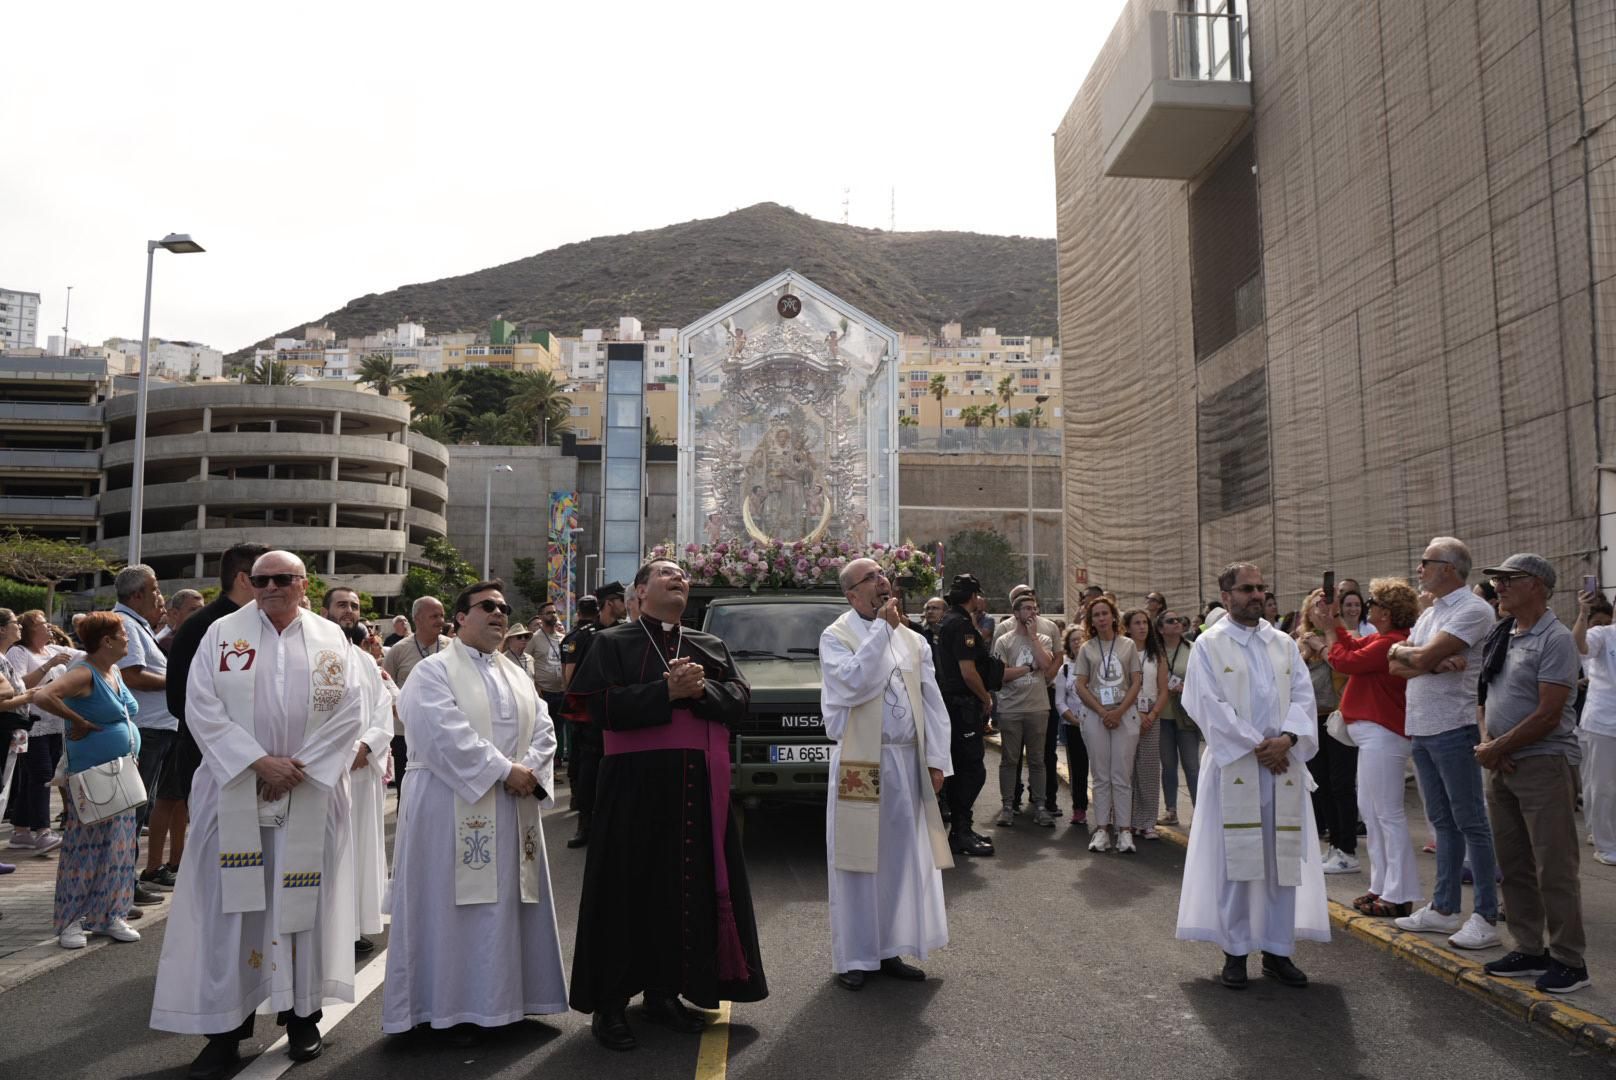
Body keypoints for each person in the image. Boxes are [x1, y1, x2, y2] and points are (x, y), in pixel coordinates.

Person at [149, 551, 365, 1078]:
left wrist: (297, 768)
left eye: (282, 578)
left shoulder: (331, 638)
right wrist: (257, 763)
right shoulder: (222, 635)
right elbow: (199, 707)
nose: (270, 586)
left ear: (303, 584)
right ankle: (226, 1031)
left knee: (304, 906)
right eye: (261, 579)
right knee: (232, 912)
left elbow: (352, 710)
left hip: (309, 791)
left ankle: (303, 1016)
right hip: (235, 791)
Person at [568, 559, 767, 1051]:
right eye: (664, 573)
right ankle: (610, 1005)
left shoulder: (709, 645)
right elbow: (594, 709)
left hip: (696, 789)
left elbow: (740, 701)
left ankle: (664, 993)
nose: (677, 578)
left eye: (682, 575)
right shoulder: (609, 643)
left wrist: (700, 690)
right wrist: (665, 692)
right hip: (632, 787)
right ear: (639, 592)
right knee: (623, 891)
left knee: (683, 889)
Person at [384, 579, 567, 1039]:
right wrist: (504, 770)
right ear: (461, 618)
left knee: (506, 902)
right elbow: (440, 731)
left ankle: (505, 1002)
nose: (499, 613)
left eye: (503, 607)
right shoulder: (433, 671)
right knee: (452, 908)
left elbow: (544, 728)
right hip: (449, 803)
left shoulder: (517, 674)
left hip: (512, 804)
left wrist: (529, 771)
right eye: (487, 606)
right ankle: (449, 1008)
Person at [1176, 562, 1326, 990]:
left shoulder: (1283, 642)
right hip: (1236, 765)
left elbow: (1303, 696)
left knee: (1281, 861)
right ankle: (1236, 951)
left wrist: (1288, 740)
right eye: (1247, 589)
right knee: (1235, 860)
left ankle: (1278, 950)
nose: (1257, 595)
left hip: (1282, 765)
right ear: (1226, 596)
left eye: (1260, 588)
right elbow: (1206, 704)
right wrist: (1260, 746)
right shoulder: (1209, 644)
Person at [820, 559, 952, 990]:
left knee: (899, 859)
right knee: (858, 861)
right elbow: (854, 684)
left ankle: (889, 947)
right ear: (852, 594)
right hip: (861, 761)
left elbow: (931, 702)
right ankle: (856, 956)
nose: (882, 582)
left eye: (883, 575)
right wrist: (881, 629)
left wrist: (937, 759)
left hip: (905, 761)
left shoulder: (913, 640)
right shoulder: (836, 636)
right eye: (871, 578)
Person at [1472, 555, 1590, 993]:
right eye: (1496, 580)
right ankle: (1529, 947)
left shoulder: (1555, 639)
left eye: (1509, 579)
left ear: (1538, 585)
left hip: (1544, 763)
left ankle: (1569, 960)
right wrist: (1489, 744)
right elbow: (1483, 696)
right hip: (1502, 761)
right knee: (1513, 863)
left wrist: (1498, 748)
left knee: (1553, 866)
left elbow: (1549, 713)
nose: (1499, 586)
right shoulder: (1503, 633)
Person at [1386, 537, 1502, 950]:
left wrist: (1417, 656)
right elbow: (1395, 665)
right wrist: (1426, 661)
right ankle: (1444, 907)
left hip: (1454, 726)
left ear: (1449, 568)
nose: (1419, 569)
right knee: (1442, 822)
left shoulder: (1473, 609)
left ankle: (1486, 915)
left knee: (1470, 820)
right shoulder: (1432, 612)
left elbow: (1413, 659)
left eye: (1426, 562)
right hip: (1422, 726)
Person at [32, 613, 145, 949]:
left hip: (121, 774)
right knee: (85, 849)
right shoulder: (84, 672)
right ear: (106, 641)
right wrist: (78, 720)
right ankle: (71, 920)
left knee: (118, 848)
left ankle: (110, 914)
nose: (128, 639)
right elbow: (43, 696)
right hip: (93, 776)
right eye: (123, 634)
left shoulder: (114, 671)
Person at [160, 543, 269, 889]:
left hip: (264, 763)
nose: (274, 588)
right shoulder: (205, 627)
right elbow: (181, 701)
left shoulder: (265, 625)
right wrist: (235, 744)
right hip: (212, 759)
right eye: (266, 579)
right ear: (244, 579)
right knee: (219, 863)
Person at [1318, 580, 1422, 918]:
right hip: (1375, 734)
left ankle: (1399, 892)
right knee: (1374, 812)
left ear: (1387, 613)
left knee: (1386, 813)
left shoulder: (1391, 642)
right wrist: (1333, 621)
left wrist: (1329, 629)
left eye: (1373, 603)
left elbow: (1345, 660)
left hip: (1383, 733)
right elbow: (1351, 645)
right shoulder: (1384, 639)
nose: (1368, 607)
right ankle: (1382, 886)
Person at [322, 585, 392, 957]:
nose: (349, 610)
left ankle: (352, 928)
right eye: (341, 605)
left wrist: (367, 745)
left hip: (363, 771)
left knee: (361, 851)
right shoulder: (315, 654)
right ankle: (329, 929)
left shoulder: (365, 661)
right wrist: (347, 751)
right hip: (328, 771)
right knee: (331, 853)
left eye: (354, 605)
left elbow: (382, 708)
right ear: (325, 611)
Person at [111, 566, 174, 865]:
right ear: (137, 595)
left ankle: (124, 878)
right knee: (133, 810)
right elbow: (131, 676)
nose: (159, 596)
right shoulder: (126, 623)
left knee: (139, 807)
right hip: (145, 730)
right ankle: (122, 879)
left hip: (153, 729)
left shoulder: (137, 624)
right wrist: (176, 681)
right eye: (155, 589)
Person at [1295, 589, 1358, 874]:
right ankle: (1334, 844)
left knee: (1341, 784)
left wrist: (1321, 645)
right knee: (1322, 784)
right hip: (1312, 719)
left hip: (1339, 718)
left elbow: (1343, 666)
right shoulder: (1299, 642)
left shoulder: (1343, 637)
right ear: (1307, 612)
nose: (1321, 611)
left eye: (1326, 606)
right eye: (1316, 606)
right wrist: (1306, 651)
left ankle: (1348, 849)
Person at [1073, 597, 1143, 853]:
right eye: (1096, 615)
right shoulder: (1087, 648)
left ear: (1114, 617)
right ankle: (1102, 829)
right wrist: (1103, 712)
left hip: (1124, 714)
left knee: (1121, 775)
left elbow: (1136, 681)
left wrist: (1119, 711)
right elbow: (1080, 684)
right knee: (1101, 775)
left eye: (1105, 613)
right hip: (1096, 715)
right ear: (1091, 621)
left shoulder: (1128, 645)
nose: (1101, 618)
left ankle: (1124, 831)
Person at [935, 574, 996, 858]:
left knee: (959, 768)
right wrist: (986, 697)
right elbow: (968, 672)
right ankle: (961, 832)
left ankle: (962, 829)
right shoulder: (961, 625)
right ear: (973, 597)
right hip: (961, 706)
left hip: (950, 705)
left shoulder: (948, 620)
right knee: (971, 770)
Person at [5, 609, 74, 855]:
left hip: (55, 723)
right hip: (33, 724)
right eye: (43, 623)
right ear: (30, 629)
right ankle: (42, 831)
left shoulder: (52, 649)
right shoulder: (19, 652)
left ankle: (20, 830)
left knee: (32, 778)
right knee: (42, 775)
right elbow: (19, 685)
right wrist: (48, 666)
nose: (49, 626)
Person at [563, 582, 625, 849]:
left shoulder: (626, 632)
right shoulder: (585, 636)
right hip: (590, 717)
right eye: (621, 600)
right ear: (609, 603)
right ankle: (585, 825)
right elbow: (570, 678)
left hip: (619, 712)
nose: (625, 604)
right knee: (588, 771)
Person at [990, 594, 1059, 828]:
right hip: (1011, 708)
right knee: (1010, 759)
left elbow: (1047, 665)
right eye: (1027, 608)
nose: (1032, 613)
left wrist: (1033, 638)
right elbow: (1001, 674)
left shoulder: (1043, 638)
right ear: (1016, 613)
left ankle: (1040, 806)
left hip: (1037, 707)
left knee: (1038, 760)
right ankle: (1008, 806)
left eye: (1034, 609)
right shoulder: (1004, 640)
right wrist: (1028, 668)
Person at [383, 596, 451, 788]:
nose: (441, 621)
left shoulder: (453, 648)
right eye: (434, 616)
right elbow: (385, 685)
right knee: (407, 788)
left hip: (444, 729)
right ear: (417, 619)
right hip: (406, 732)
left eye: (442, 616)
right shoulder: (398, 650)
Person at [1575, 587, 1616, 866]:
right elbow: (1580, 646)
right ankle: (1605, 845)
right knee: (1603, 786)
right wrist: (1583, 612)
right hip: (1603, 722)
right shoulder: (1604, 634)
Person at [1125, 609, 1168, 840]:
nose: (1142, 627)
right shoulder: (1123, 652)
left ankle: (1148, 821)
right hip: (1127, 711)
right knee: (1127, 769)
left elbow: (1163, 690)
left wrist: (1152, 715)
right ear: (1127, 627)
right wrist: (1135, 712)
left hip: (1151, 712)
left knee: (1149, 769)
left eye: (1145, 622)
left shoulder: (1157, 654)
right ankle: (1127, 819)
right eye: (1137, 623)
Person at [1156, 610, 1199, 825]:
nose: (1177, 623)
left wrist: (1185, 688)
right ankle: (1171, 810)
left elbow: (1202, 679)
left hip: (1186, 715)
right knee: (1168, 765)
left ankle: (1200, 811)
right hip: (1163, 715)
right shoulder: (1155, 652)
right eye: (1170, 621)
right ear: (1161, 629)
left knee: (1191, 765)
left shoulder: (1194, 649)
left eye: (1179, 619)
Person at [1054, 625, 1091, 827]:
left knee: (1103, 770)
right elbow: (1060, 701)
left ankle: (1109, 810)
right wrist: (1075, 720)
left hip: (1099, 724)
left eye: (1081, 638)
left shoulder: (1097, 665)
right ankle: (1079, 809)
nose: (1078, 642)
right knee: (1078, 769)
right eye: (1073, 640)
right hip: (1074, 726)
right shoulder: (1065, 669)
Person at [525, 602, 568, 765]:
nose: (553, 615)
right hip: (544, 692)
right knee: (544, 730)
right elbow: (526, 662)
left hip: (561, 691)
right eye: (549, 612)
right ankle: (544, 763)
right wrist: (535, 686)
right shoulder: (534, 639)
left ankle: (556, 761)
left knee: (558, 728)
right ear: (541, 617)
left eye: (554, 612)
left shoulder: (562, 638)